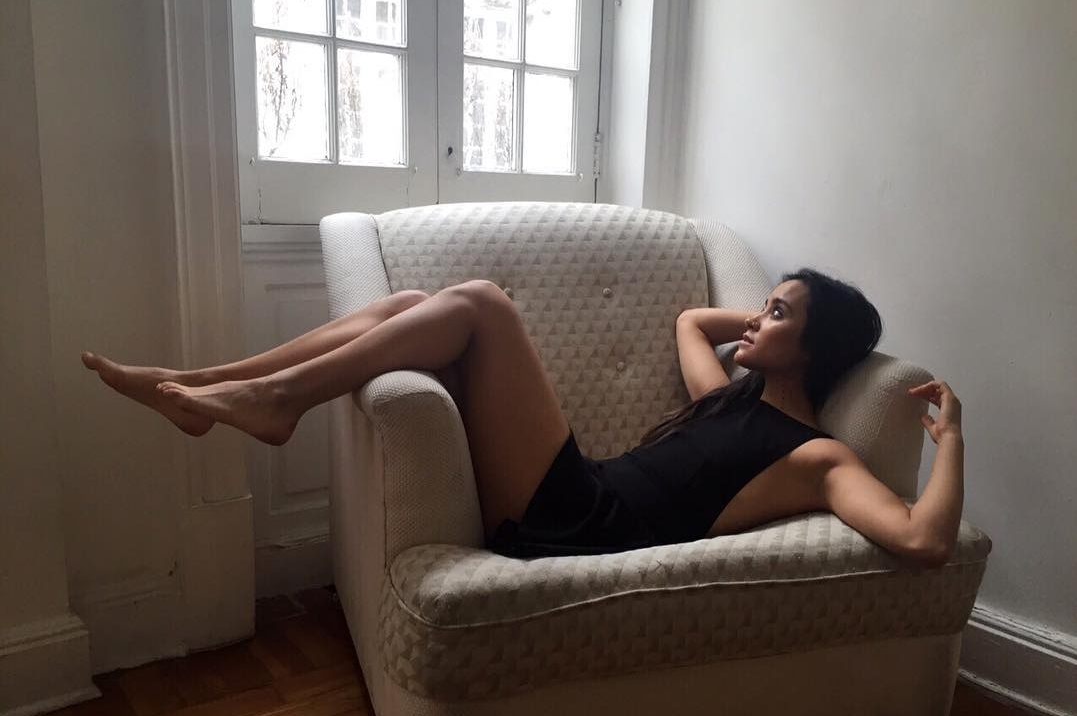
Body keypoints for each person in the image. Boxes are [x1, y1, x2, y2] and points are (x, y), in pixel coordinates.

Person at [81, 269, 963, 568]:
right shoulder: (725, 399)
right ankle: (206, 384)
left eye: (775, 314)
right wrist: (770, 323)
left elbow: (922, 540)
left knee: (480, 303)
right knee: (414, 302)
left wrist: (949, 441)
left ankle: (274, 403)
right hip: (577, 495)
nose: (755, 320)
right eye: (763, 306)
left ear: (815, 347)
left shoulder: (816, 457)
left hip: (582, 524)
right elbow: (691, 322)